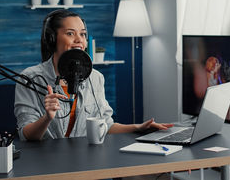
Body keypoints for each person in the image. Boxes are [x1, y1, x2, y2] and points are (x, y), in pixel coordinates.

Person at [14, 9, 173, 141]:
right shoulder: (30, 78)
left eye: (82, 34)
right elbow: (26, 135)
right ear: (52, 39)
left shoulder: (95, 77)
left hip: (84, 161)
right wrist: (47, 118)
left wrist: (138, 127)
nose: (79, 40)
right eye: (70, 34)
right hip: (44, 163)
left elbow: (106, 125)